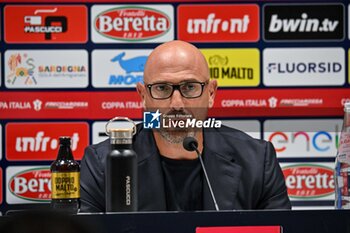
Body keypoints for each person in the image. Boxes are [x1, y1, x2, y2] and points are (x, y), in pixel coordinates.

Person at [80, 40, 291, 212]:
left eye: (190, 87)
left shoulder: (256, 160)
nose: (177, 104)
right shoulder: (103, 164)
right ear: (143, 96)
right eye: (162, 88)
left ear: (211, 94)